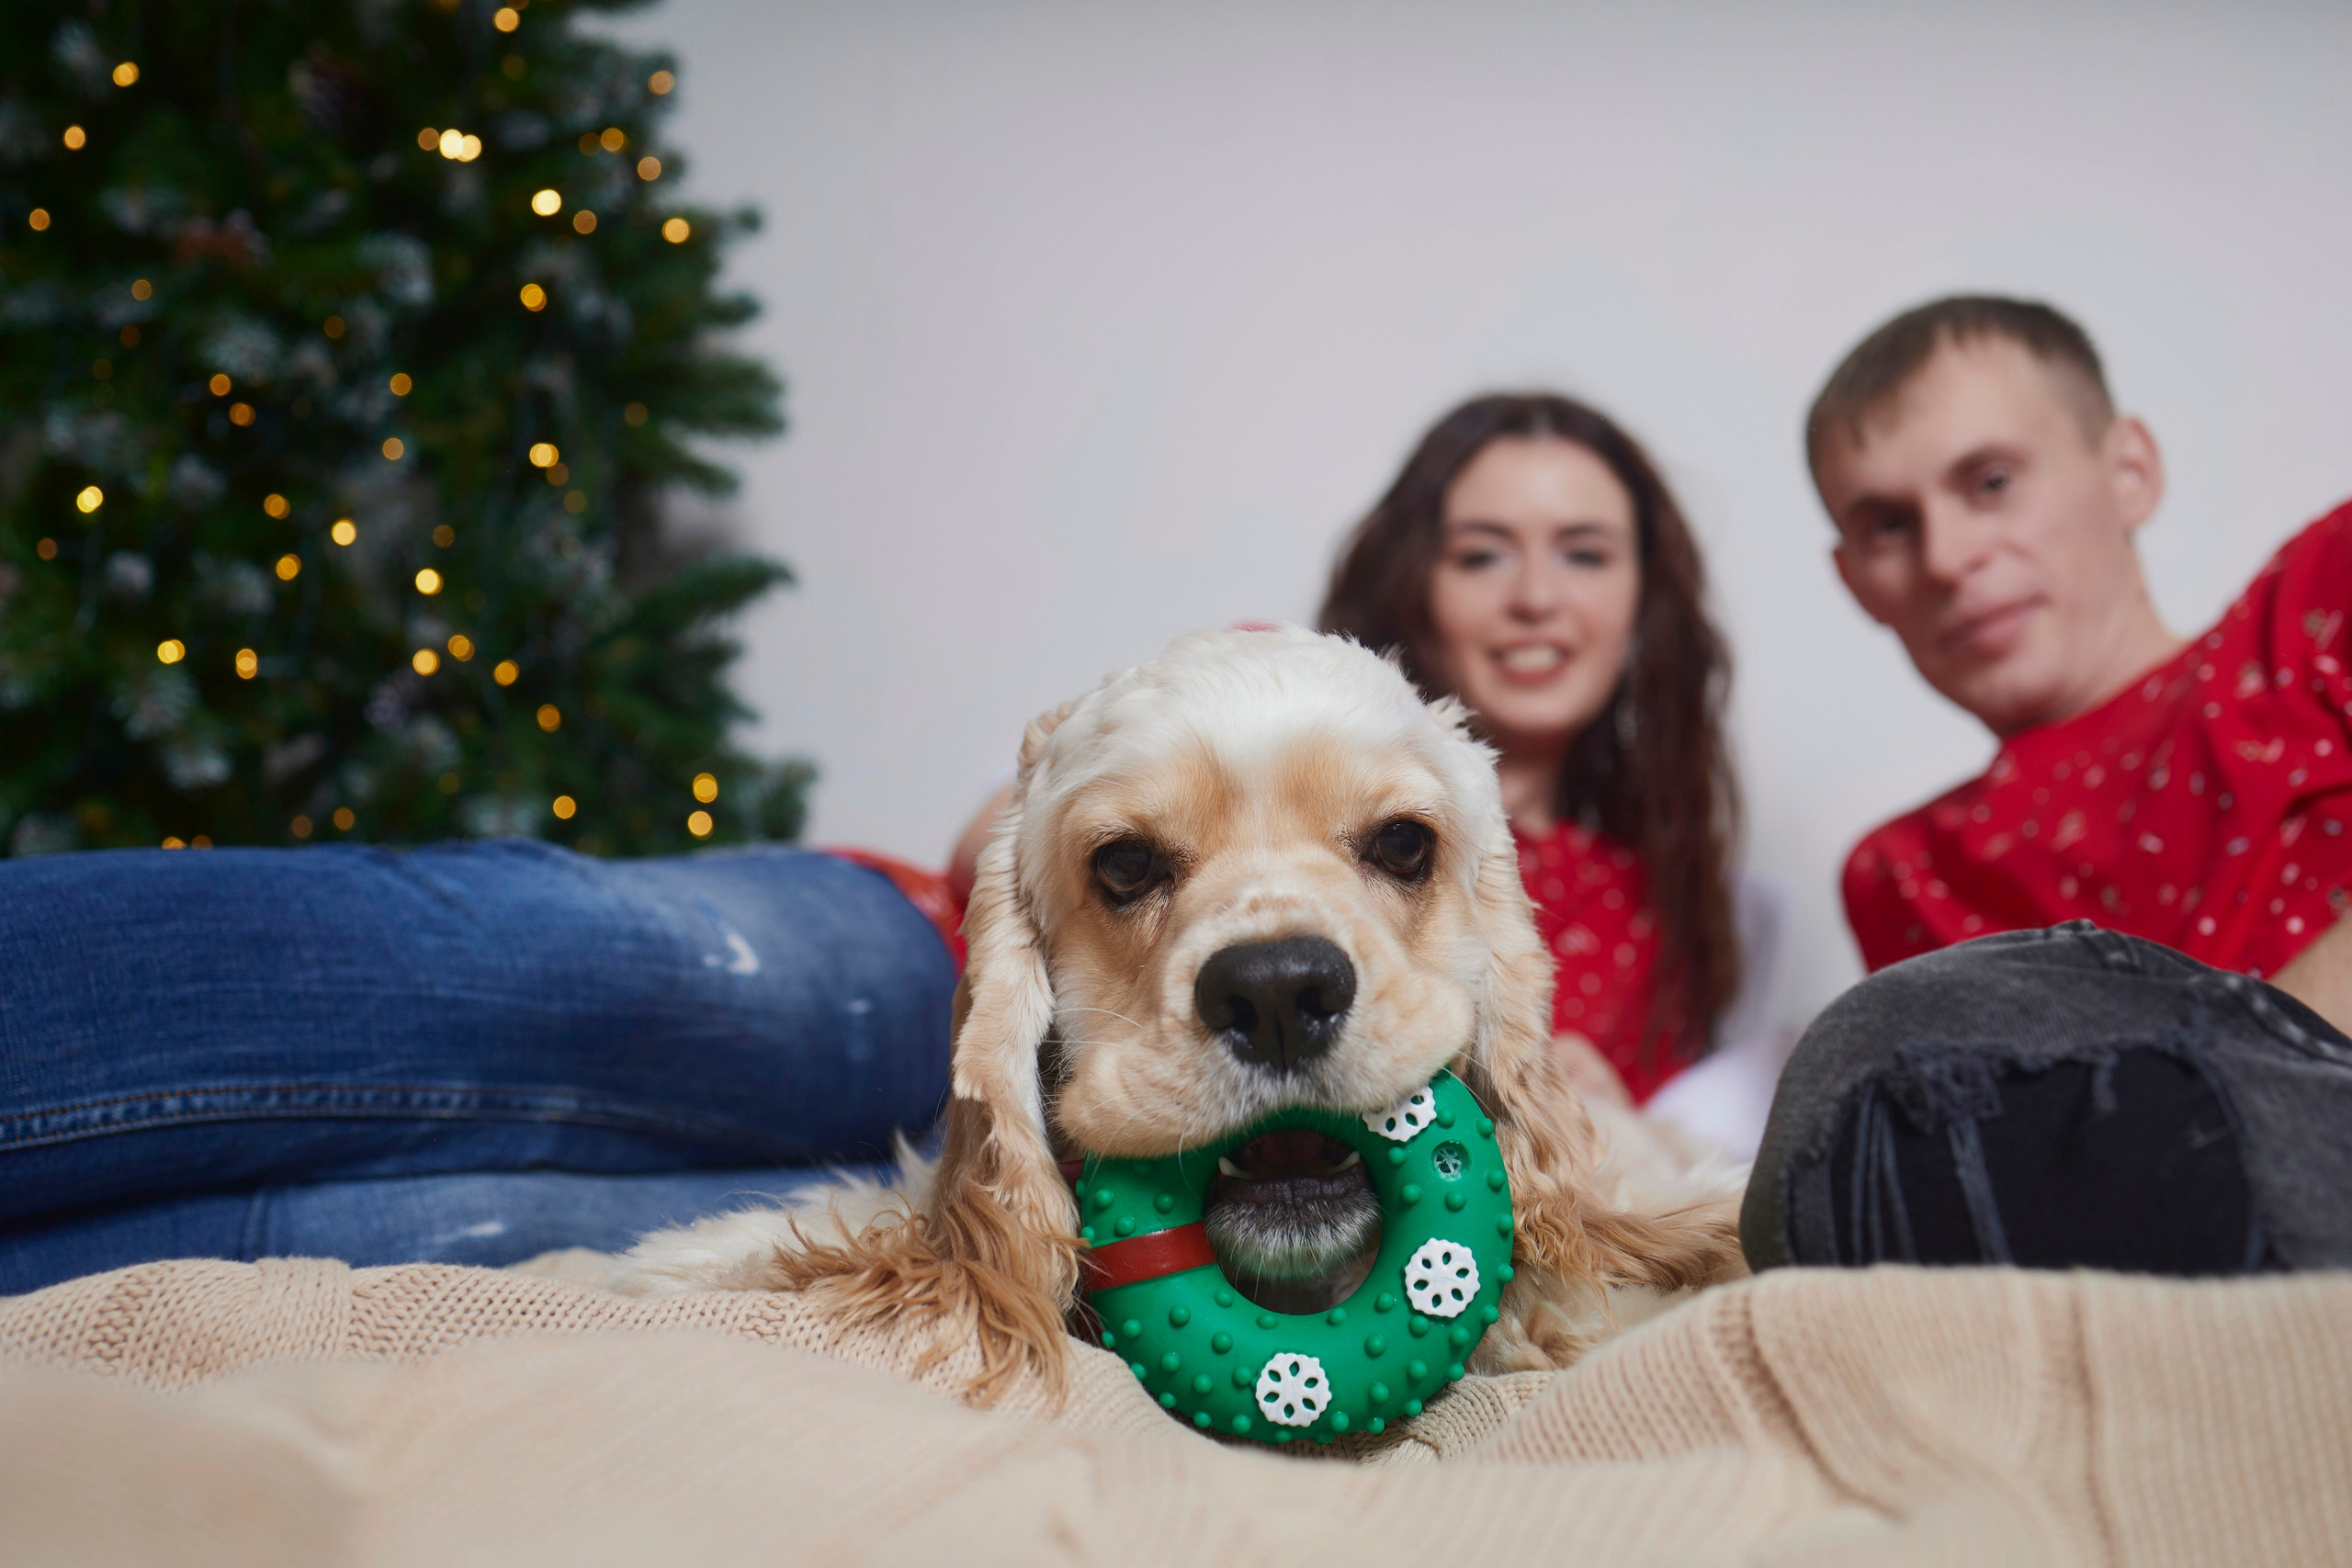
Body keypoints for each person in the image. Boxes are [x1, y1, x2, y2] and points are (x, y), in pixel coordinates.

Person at [1743, 295, 2352, 1276]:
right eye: (1889, 526)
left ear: (2130, 472)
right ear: (1856, 581)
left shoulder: (2319, 600)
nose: (1948, 558)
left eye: (1991, 483)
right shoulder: (1907, 873)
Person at [0, 840, 959, 1295]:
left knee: (432, 1233)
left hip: (987, 1227)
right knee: (544, 971)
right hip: (939, 961)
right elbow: (992, 826)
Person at [1317, 392, 1744, 1107]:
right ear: (1411, 587)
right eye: (1481, 556)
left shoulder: (1660, 902)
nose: (1537, 597)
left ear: (1644, 598)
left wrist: (1616, 1123)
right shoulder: (1291, 822)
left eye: (1585, 554)